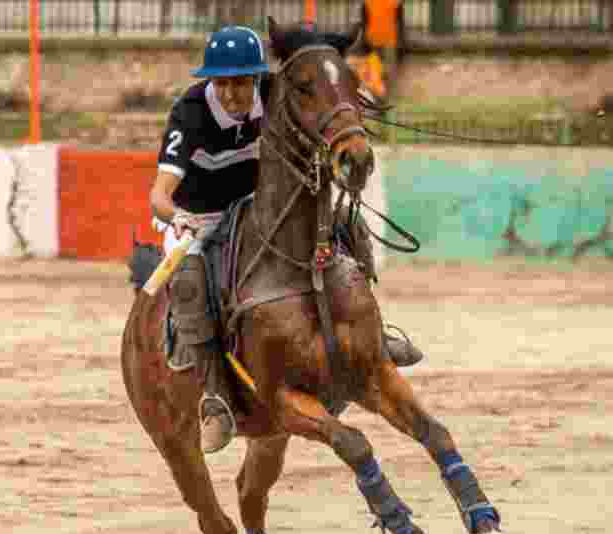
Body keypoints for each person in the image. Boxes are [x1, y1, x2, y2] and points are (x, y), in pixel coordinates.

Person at [149, 25, 422, 456]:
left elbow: (321, 111)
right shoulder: (190, 112)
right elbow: (159, 195)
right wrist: (178, 217)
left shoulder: (277, 91)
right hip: (199, 217)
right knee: (188, 280)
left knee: (346, 225)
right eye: (224, 83)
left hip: (261, 208)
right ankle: (216, 397)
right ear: (210, 81)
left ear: (258, 77)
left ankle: (376, 336)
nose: (235, 93)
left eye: (244, 81)